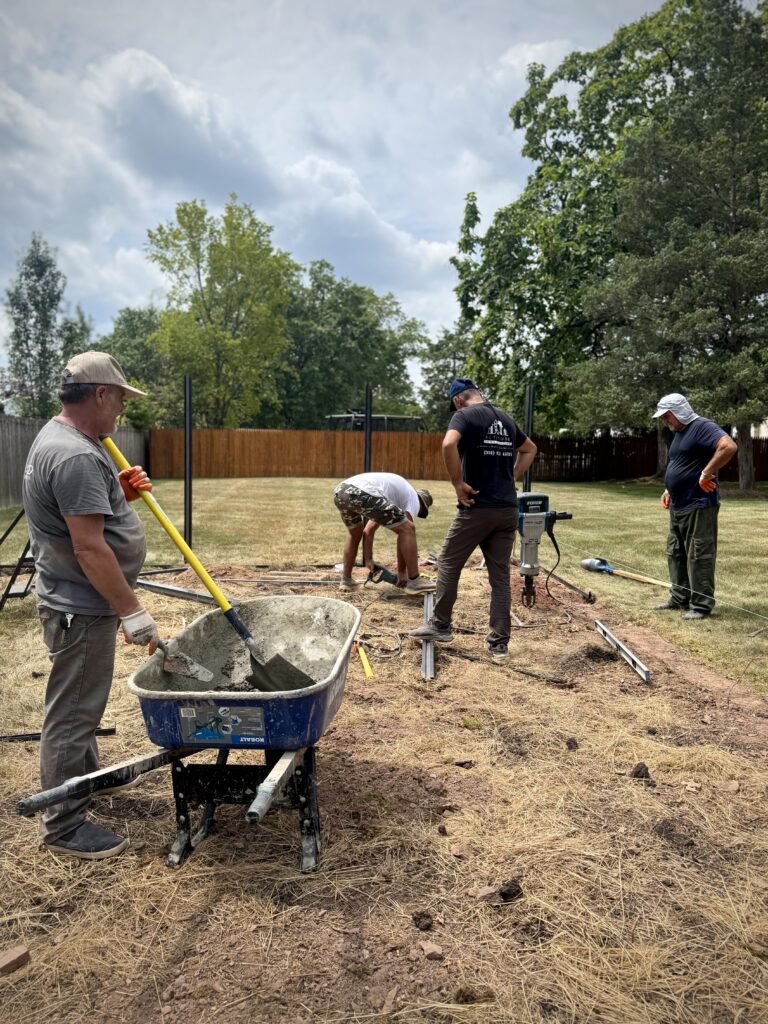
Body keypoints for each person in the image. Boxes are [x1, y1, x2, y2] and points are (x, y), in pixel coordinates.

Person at [22, 351, 160, 860]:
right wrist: (133, 612)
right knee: (74, 712)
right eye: (120, 398)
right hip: (80, 605)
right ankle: (63, 825)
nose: (122, 408)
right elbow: (88, 548)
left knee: (82, 703)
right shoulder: (76, 455)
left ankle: (86, 779)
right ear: (100, 394)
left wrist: (115, 494)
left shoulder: (66, 440)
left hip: (75, 600)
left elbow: (78, 519)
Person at [409, 378, 537, 660]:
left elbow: (448, 444)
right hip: (507, 509)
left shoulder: (464, 416)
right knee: (500, 577)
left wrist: (457, 483)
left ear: (458, 400)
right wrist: (511, 477)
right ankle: (499, 643)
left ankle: (440, 625)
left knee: (448, 562)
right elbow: (530, 449)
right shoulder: (505, 418)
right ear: (478, 394)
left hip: (477, 507)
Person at [653, 393, 737, 620]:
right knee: (676, 552)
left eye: (667, 416)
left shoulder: (702, 426)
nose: (665, 421)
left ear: (679, 412)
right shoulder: (680, 434)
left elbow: (728, 446)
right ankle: (679, 598)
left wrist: (706, 473)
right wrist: (669, 489)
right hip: (678, 503)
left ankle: (701, 605)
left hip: (699, 504)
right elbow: (681, 463)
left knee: (699, 554)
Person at [332, 471, 435, 595]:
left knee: (355, 534)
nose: (418, 513)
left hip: (341, 492)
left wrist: (368, 560)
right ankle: (415, 581)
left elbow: (368, 530)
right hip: (363, 492)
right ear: (422, 503)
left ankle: (346, 580)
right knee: (408, 529)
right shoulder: (413, 498)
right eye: (421, 512)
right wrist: (402, 572)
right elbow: (406, 531)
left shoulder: (394, 496)